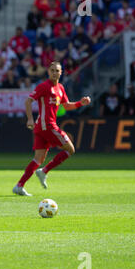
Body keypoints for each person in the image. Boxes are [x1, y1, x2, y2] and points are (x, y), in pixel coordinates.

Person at [13, 61, 91, 196]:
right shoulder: (43, 86)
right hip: (47, 125)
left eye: (57, 70)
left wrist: (80, 103)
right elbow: (28, 101)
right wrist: (30, 118)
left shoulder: (60, 88)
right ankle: (44, 171)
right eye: (52, 70)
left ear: (61, 73)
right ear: (48, 72)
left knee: (38, 159)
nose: (55, 73)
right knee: (70, 149)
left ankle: (19, 186)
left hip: (43, 127)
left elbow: (66, 106)